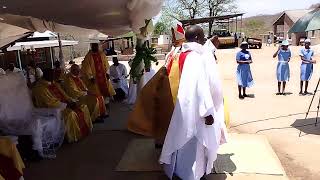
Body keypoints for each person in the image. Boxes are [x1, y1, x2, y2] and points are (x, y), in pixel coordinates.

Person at [160, 25, 226, 180]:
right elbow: (200, 85)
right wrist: (207, 112)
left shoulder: (184, 53)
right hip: (196, 108)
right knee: (193, 143)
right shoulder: (194, 58)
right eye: (202, 38)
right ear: (197, 38)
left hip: (186, 105)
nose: (203, 40)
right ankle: (192, 175)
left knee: (182, 139)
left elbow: (205, 53)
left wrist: (210, 45)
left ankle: (181, 172)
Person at [127, 23, 186, 148]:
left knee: (168, 117)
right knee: (159, 114)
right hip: (164, 86)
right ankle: (160, 140)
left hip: (173, 88)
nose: (173, 38)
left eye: (174, 35)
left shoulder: (182, 51)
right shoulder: (173, 50)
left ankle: (168, 142)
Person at [32, 68, 92, 143]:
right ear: (46, 75)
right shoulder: (40, 89)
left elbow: (64, 95)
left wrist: (71, 101)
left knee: (83, 106)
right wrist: (66, 105)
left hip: (64, 104)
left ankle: (85, 130)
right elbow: (50, 103)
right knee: (70, 114)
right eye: (52, 75)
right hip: (52, 110)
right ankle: (73, 136)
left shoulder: (54, 84)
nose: (54, 77)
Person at [81, 43, 116, 116]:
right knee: (96, 92)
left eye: (96, 46)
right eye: (93, 46)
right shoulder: (89, 55)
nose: (95, 47)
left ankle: (105, 104)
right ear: (91, 46)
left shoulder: (101, 54)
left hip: (103, 76)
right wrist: (90, 77)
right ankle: (98, 107)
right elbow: (86, 67)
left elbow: (106, 63)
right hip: (95, 78)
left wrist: (107, 73)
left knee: (106, 90)